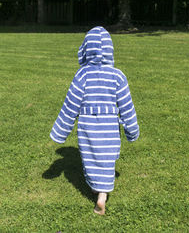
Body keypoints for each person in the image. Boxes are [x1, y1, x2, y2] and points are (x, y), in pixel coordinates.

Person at [50, 26, 139, 215]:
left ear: (86, 49)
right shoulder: (118, 76)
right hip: (109, 128)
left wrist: (60, 131)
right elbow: (127, 107)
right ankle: (102, 196)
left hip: (88, 127)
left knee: (91, 157)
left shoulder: (82, 76)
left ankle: (95, 188)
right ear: (109, 50)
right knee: (107, 159)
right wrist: (132, 130)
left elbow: (70, 105)